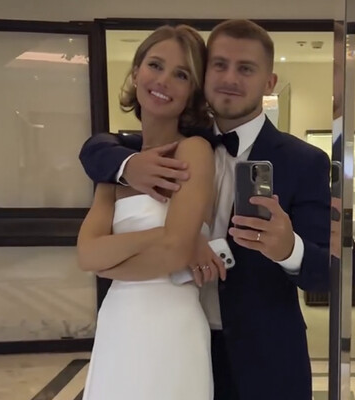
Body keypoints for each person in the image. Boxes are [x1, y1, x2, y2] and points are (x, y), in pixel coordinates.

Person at [79, 19, 331, 400]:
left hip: (264, 360)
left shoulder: (304, 162)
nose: (230, 78)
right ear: (204, 76)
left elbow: (331, 272)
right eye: (219, 65)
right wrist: (127, 166)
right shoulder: (165, 146)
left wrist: (289, 248)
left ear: (269, 82)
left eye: (246, 68)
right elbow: (95, 150)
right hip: (175, 341)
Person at [77, 25, 225, 400]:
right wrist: (164, 235)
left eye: (181, 74)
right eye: (155, 65)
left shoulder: (193, 151)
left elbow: (174, 253)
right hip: (117, 322)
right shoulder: (118, 165)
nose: (163, 81)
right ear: (136, 71)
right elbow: (87, 254)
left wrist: (111, 262)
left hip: (171, 325)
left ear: (192, 92)